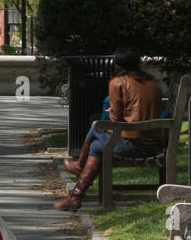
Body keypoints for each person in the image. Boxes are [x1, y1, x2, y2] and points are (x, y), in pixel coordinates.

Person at [55, 48, 164, 211]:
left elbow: (114, 121)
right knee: (97, 146)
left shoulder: (118, 82)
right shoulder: (154, 84)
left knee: (95, 127)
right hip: (154, 144)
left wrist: (111, 113)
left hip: (132, 145)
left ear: (117, 65)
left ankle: (78, 168)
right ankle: (75, 197)